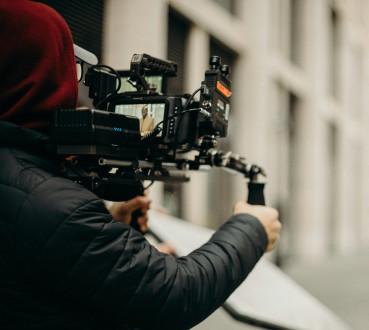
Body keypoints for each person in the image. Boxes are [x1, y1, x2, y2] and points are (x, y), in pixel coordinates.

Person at [0, 1, 281, 329]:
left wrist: (109, 229)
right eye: (69, 65)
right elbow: (178, 293)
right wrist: (250, 228)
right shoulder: (49, 203)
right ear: (44, 72)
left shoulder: (36, 194)